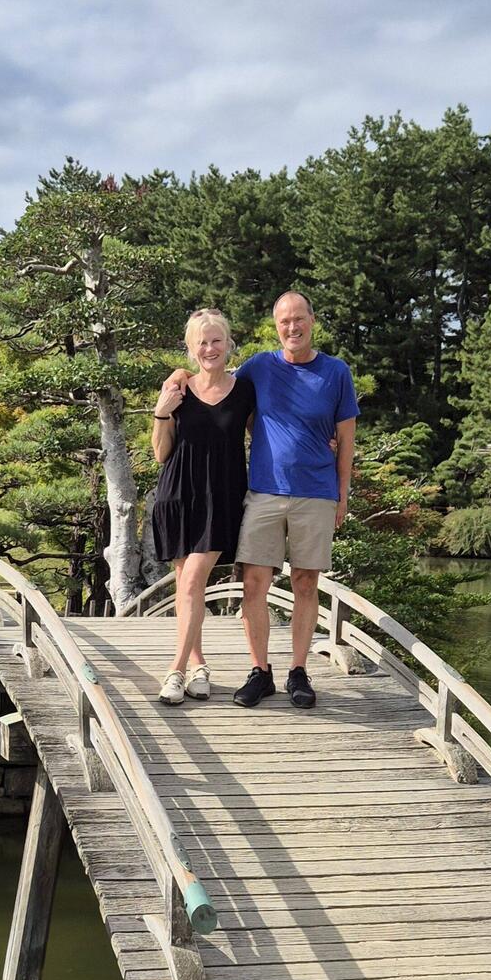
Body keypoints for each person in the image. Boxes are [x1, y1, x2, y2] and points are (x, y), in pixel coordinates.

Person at [230, 291, 358, 710]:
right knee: (254, 582)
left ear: (312, 320)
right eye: (284, 321)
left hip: (317, 493)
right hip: (265, 490)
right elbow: (218, 387)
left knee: (306, 583)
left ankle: (298, 672)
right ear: (275, 324)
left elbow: (347, 443)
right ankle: (260, 671)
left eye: (298, 319)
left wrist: (343, 496)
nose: (292, 327)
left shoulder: (336, 372)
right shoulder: (258, 367)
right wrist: (177, 377)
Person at [149, 309, 255, 705]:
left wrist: (322, 444)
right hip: (177, 494)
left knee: (193, 582)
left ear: (228, 344)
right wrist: (162, 409)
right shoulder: (177, 389)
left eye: (216, 340)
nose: (209, 348)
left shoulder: (245, 391)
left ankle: (174, 671)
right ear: (191, 349)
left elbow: (269, 437)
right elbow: (161, 454)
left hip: (221, 497)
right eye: (201, 342)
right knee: (185, 586)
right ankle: (198, 667)